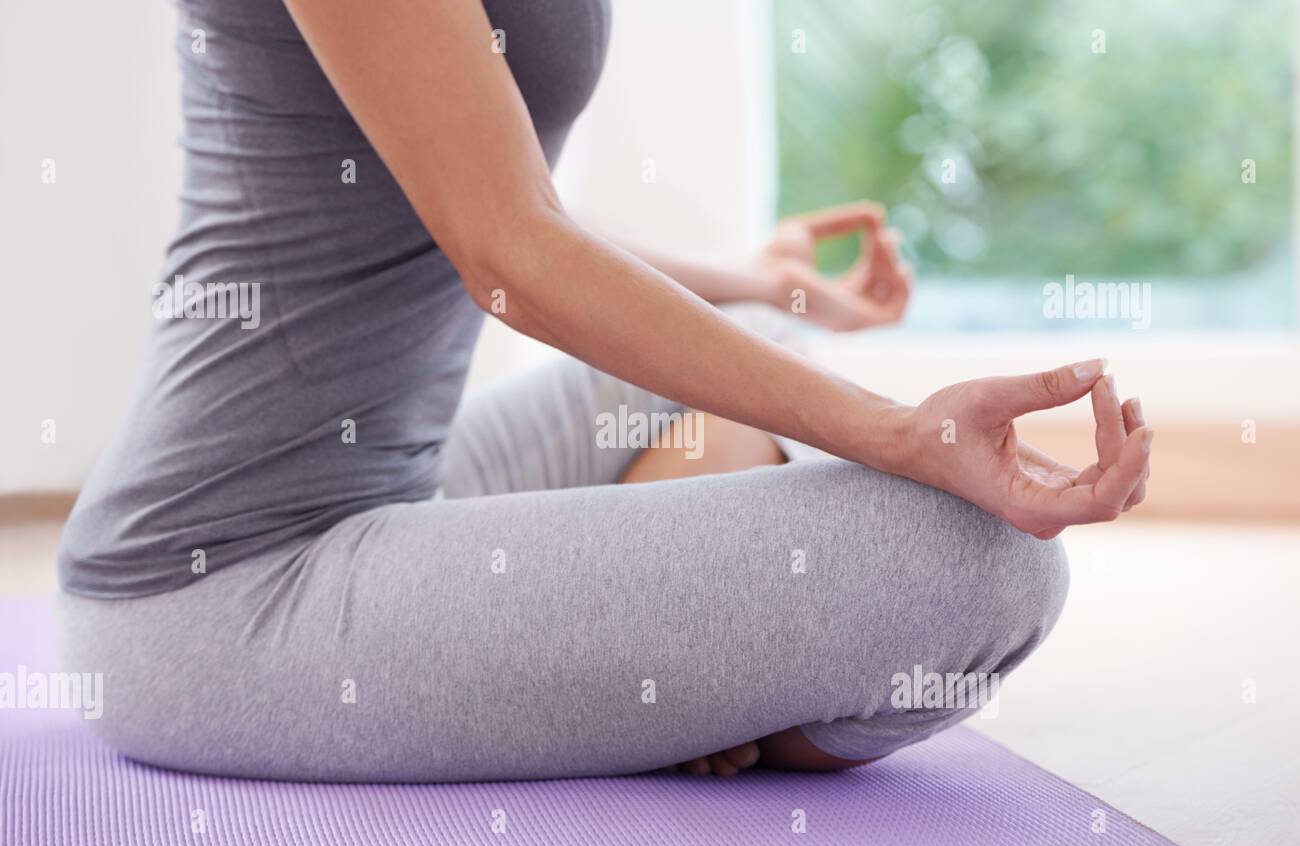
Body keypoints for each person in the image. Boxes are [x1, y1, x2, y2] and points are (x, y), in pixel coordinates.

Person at [55, 0, 1150, 783]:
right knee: (987, 569)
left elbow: (501, 195)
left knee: (752, 335)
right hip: (213, 587)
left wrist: (765, 284)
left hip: (412, 482)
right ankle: (681, 692)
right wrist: (899, 434)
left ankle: (665, 678)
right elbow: (506, 251)